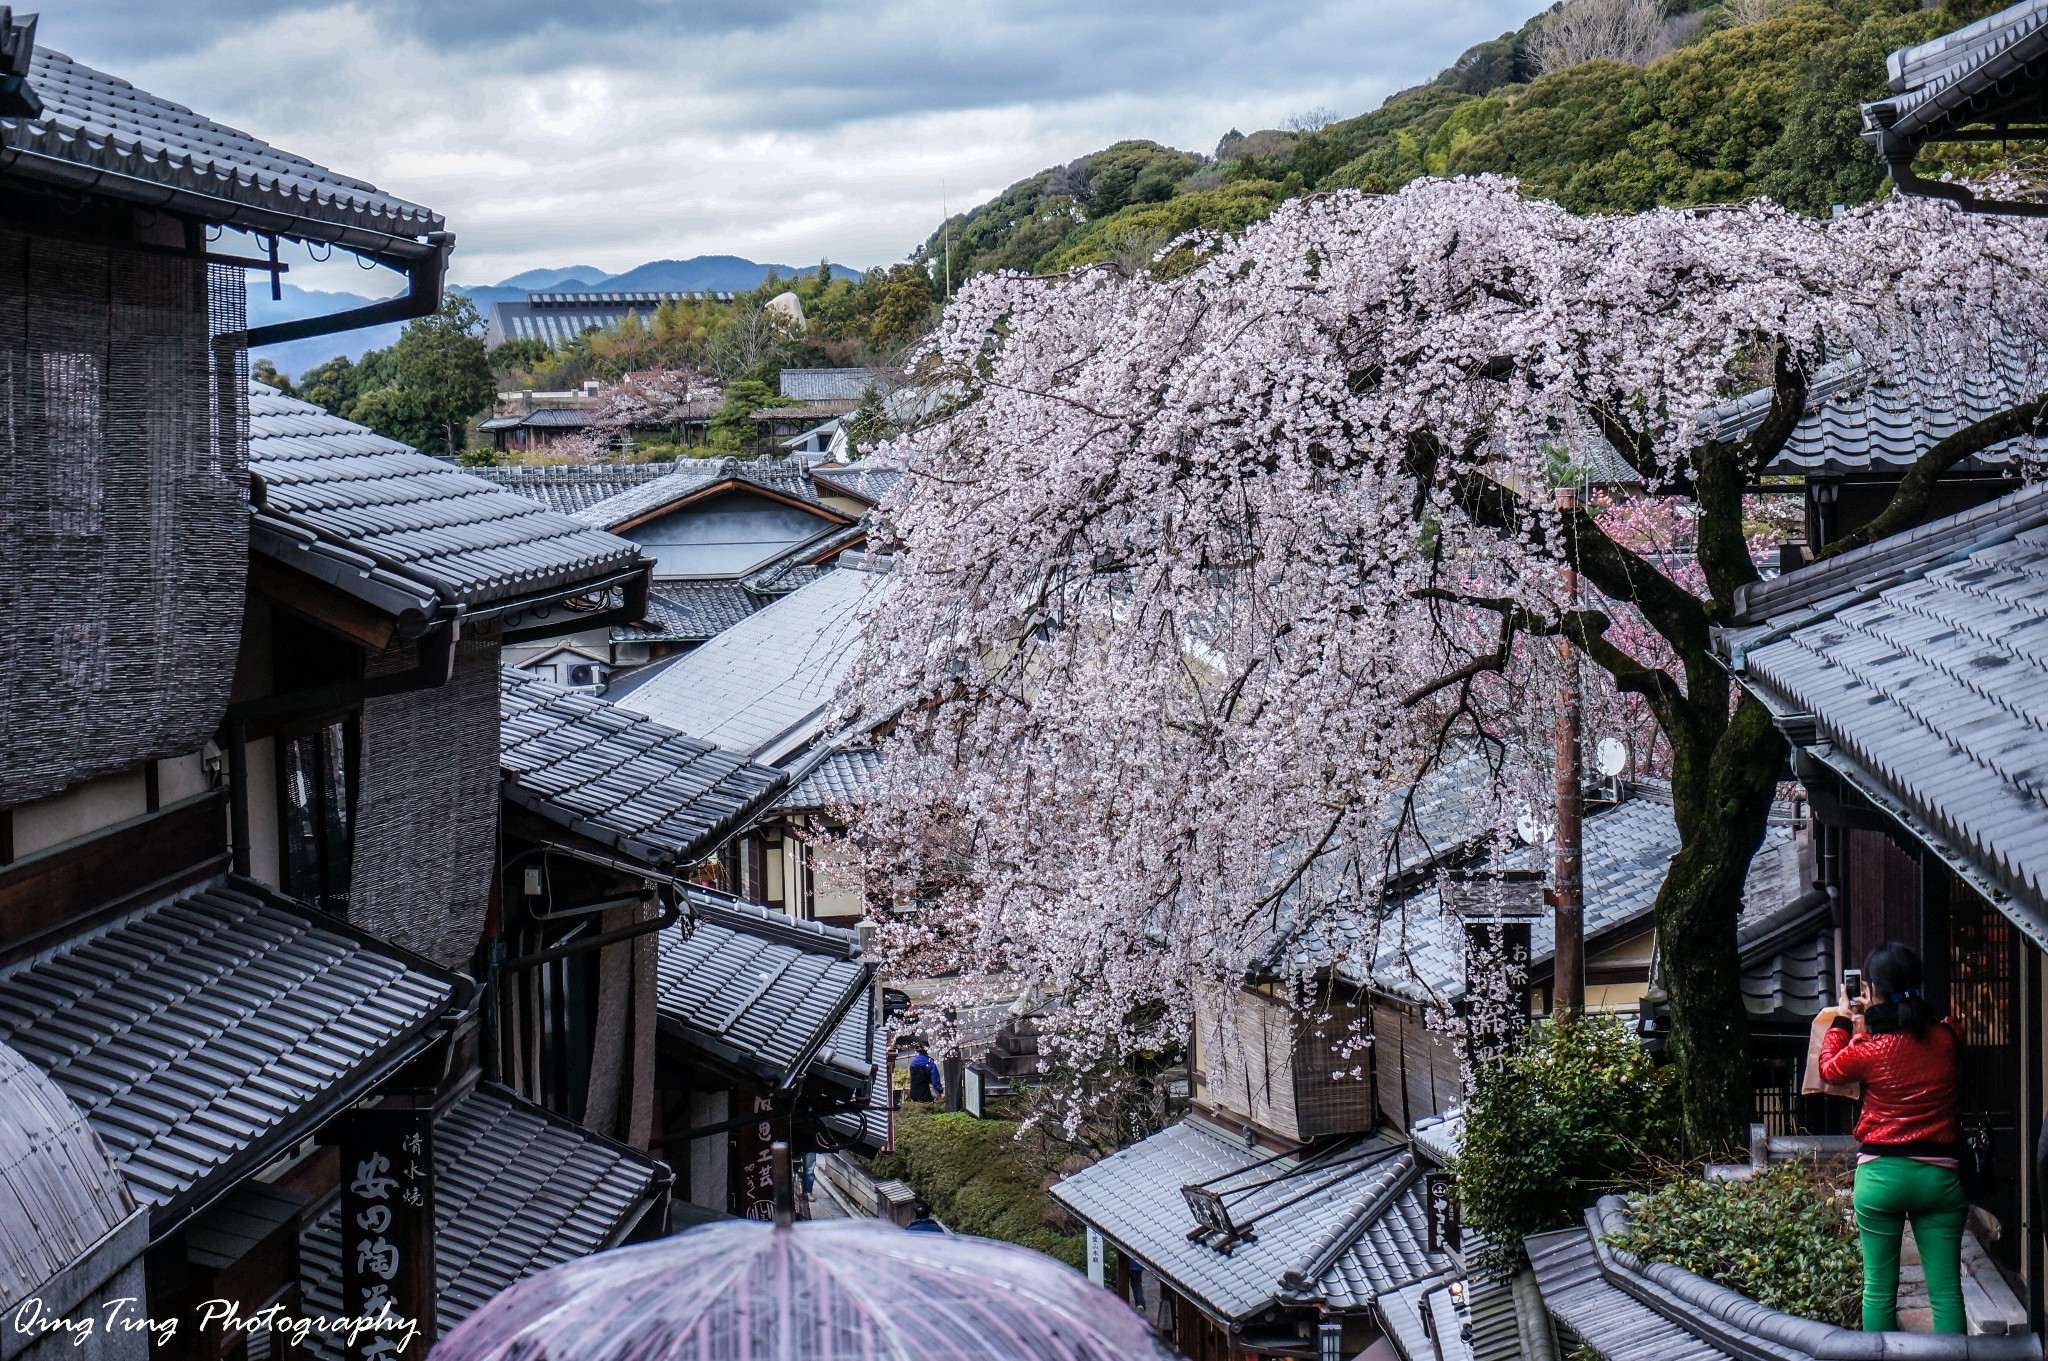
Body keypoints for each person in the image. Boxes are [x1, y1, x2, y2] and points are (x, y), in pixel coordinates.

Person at [1817, 943, 1967, 1334]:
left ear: (1869, 989)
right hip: (1939, 1177)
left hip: (1880, 1177)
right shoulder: (1948, 1037)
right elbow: (1939, 1026)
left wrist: (1845, 1019)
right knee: (1947, 1294)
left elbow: (1829, 1069)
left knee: (1878, 1292)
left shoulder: (1870, 1048)